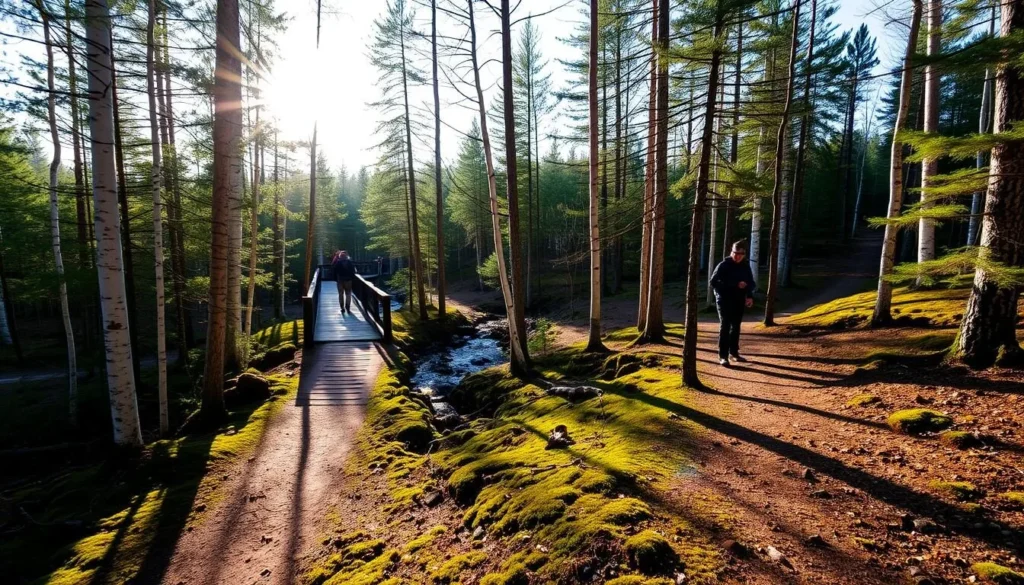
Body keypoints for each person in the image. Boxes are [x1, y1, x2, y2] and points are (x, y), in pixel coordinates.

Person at [709, 241, 756, 366]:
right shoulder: (723, 265)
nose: (738, 256)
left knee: (736, 326)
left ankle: (734, 353)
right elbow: (713, 282)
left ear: (744, 254)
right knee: (725, 326)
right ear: (731, 251)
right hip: (724, 300)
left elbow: (750, 282)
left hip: (739, 300)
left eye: (740, 254)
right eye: (736, 253)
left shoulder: (745, 266)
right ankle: (722, 356)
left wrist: (749, 296)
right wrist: (734, 284)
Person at [332, 250, 357, 314]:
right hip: (348, 280)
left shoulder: (337, 263)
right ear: (346, 256)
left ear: (340, 256)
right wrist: (352, 278)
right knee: (348, 294)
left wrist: (335, 279)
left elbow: (334, 271)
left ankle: (342, 307)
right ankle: (348, 307)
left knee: (341, 294)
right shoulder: (349, 262)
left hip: (340, 281)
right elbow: (353, 271)